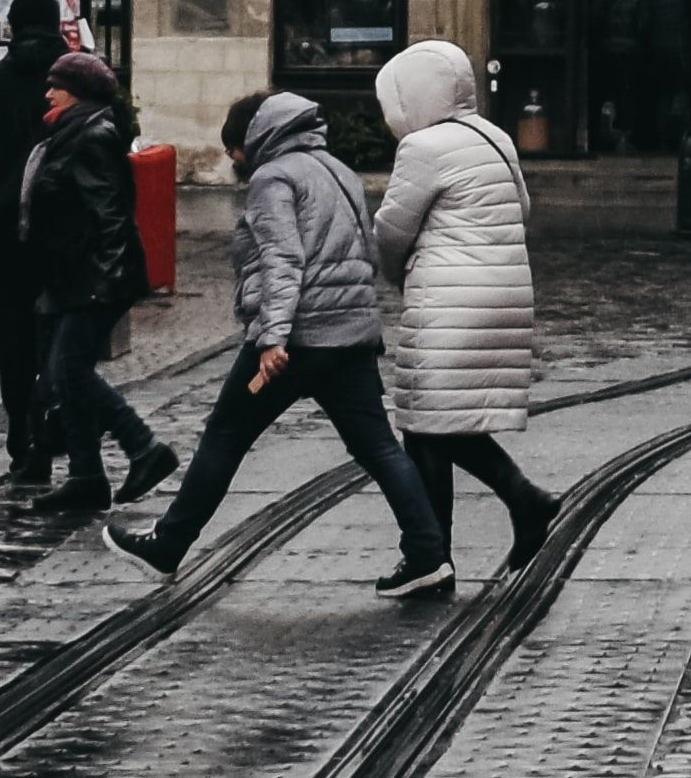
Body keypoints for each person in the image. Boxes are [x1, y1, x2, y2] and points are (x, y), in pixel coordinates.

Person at [113, 88, 455, 596]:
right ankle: (429, 553)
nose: (234, 160)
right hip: (350, 334)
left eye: (234, 149)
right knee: (379, 447)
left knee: (224, 435)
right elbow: (363, 247)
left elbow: (283, 260)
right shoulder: (337, 170)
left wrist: (272, 338)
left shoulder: (274, 178)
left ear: (253, 139)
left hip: (296, 338)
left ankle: (167, 545)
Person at [372, 38, 560, 574]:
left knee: (427, 422)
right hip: (503, 293)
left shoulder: (424, 148)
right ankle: (446, 547)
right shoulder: (495, 136)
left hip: (449, 299)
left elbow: (392, 230)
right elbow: (521, 207)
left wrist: (394, 272)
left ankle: (447, 546)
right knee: (439, 422)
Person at [20, 49, 173, 512]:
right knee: (62, 376)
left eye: (57, 85)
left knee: (70, 370)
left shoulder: (92, 135)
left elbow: (109, 212)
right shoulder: (70, 132)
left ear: (79, 92)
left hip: (95, 275)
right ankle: (86, 476)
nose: (48, 92)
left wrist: (106, 279)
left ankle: (144, 447)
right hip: (70, 274)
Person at [0, 0, 64, 489]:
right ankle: (55, 428)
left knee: (15, 336)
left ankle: (21, 437)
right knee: (61, 332)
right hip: (65, 230)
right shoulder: (73, 85)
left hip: (8, 226)